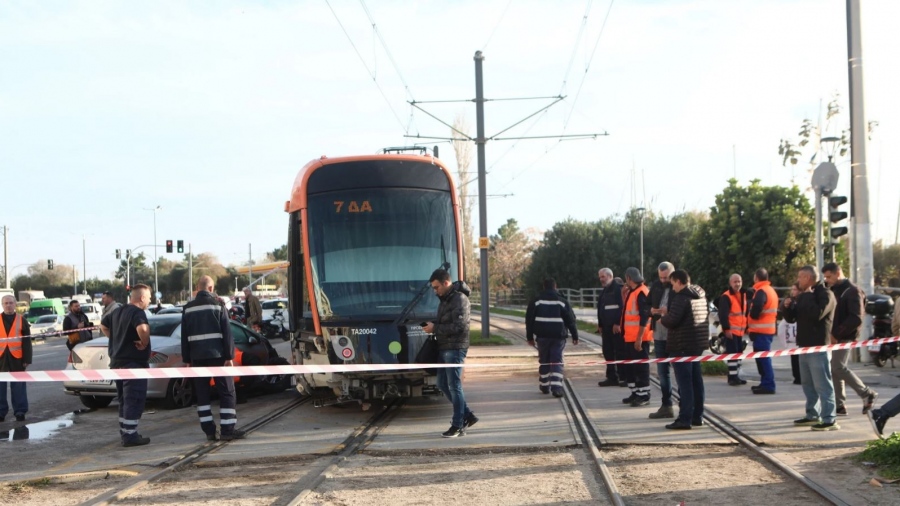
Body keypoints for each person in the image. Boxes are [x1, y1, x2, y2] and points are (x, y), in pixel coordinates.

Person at [182, 276, 245, 441]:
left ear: (197, 287)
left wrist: (187, 359)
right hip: (218, 357)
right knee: (227, 392)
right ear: (211, 288)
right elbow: (227, 333)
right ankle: (227, 430)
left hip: (197, 358)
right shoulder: (218, 306)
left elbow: (184, 336)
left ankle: (209, 431)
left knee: (202, 395)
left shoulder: (188, 308)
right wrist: (229, 356)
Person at [782, 266, 839, 431]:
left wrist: (805, 296)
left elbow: (817, 313)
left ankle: (830, 418)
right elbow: (792, 318)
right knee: (807, 383)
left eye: (800, 277)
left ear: (807, 278)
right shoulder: (805, 296)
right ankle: (812, 414)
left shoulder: (825, 294)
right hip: (803, 346)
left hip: (818, 346)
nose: (798, 280)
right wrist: (787, 307)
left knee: (822, 383)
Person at [422, 269, 477, 438]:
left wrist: (435, 328)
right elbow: (447, 321)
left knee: (454, 386)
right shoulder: (445, 300)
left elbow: (460, 327)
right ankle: (467, 415)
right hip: (444, 347)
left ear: (446, 283)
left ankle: (458, 425)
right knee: (442, 384)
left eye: (436, 287)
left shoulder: (459, 299)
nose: (435, 291)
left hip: (455, 348)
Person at [100, 284, 152, 447]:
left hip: (117, 363)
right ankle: (130, 436)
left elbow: (103, 326)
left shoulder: (117, 311)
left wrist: (116, 339)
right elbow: (143, 328)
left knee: (124, 399)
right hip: (133, 364)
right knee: (134, 399)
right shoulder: (137, 312)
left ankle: (126, 431)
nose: (150, 301)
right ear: (142, 298)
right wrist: (144, 343)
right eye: (149, 298)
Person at [822, 263, 878, 416]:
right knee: (835, 370)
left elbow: (856, 318)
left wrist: (837, 334)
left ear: (838, 273)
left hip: (845, 336)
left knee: (838, 367)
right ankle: (839, 405)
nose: (827, 280)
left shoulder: (852, 291)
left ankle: (866, 393)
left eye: (829, 276)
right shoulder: (834, 290)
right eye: (825, 277)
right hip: (834, 337)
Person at [659, 269, 708, 430]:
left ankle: (684, 418)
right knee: (696, 381)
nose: (672, 288)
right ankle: (697, 416)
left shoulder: (682, 297)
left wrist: (663, 319)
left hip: (682, 345)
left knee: (684, 384)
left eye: (673, 284)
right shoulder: (700, 295)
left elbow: (673, 320)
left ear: (679, 282)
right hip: (696, 344)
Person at [526, 278, 579, 397]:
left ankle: (544, 385)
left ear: (543, 287)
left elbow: (529, 320)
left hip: (542, 336)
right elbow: (570, 320)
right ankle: (557, 388)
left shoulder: (536, 301)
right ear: (555, 287)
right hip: (558, 336)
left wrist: (529, 337)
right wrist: (575, 335)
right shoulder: (562, 301)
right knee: (556, 360)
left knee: (544, 360)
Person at [621, 267, 653, 407]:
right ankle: (635, 392)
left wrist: (639, 338)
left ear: (628, 278)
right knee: (631, 367)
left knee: (641, 367)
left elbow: (644, 317)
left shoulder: (641, 292)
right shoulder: (632, 292)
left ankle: (644, 395)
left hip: (639, 337)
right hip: (630, 337)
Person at [648, 262, 675, 419]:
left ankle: (685, 406)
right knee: (662, 372)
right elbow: (645, 303)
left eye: (666, 277)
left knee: (679, 372)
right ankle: (667, 405)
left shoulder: (678, 286)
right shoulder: (656, 286)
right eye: (661, 277)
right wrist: (651, 311)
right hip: (659, 335)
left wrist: (668, 311)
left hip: (673, 335)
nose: (664, 280)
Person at [0, 295, 31, 422]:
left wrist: (27, 359)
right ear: (2, 305)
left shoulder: (21, 320)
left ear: (15, 304)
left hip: (17, 358)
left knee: (18, 386)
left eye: (11, 303)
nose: (8, 305)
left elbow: (27, 342)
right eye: (6, 303)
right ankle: (0, 413)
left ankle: (20, 411)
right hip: (1, 358)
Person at [748, 268, 778, 394]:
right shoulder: (770, 290)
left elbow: (756, 310)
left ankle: (768, 385)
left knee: (763, 360)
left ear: (756, 278)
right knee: (762, 359)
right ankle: (765, 383)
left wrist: (751, 313)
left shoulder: (761, 291)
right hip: (767, 330)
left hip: (761, 331)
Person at [596, 268, 626, 388]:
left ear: (609, 276)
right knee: (607, 352)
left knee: (619, 352)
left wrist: (618, 323)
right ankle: (611, 377)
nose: (601, 279)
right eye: (600, 277)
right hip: (606, 328)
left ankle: (623, 376)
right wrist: (600, 324)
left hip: (616, 328)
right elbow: (601, 309)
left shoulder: (618, 289)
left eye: (603, 277)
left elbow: (622, 307)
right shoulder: (604, 291)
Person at [718, 273, 749, 386]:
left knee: (739, 354)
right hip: (731, 331)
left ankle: (736, 376)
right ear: (730, 283)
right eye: (735, 282)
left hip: (740, 331)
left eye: (739, 281)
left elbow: (744, 313)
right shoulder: (726, 296)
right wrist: (726, 329)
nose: (737, 284)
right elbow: (723, 315)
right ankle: (732, 377)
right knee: (732, 354)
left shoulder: (743, 295)